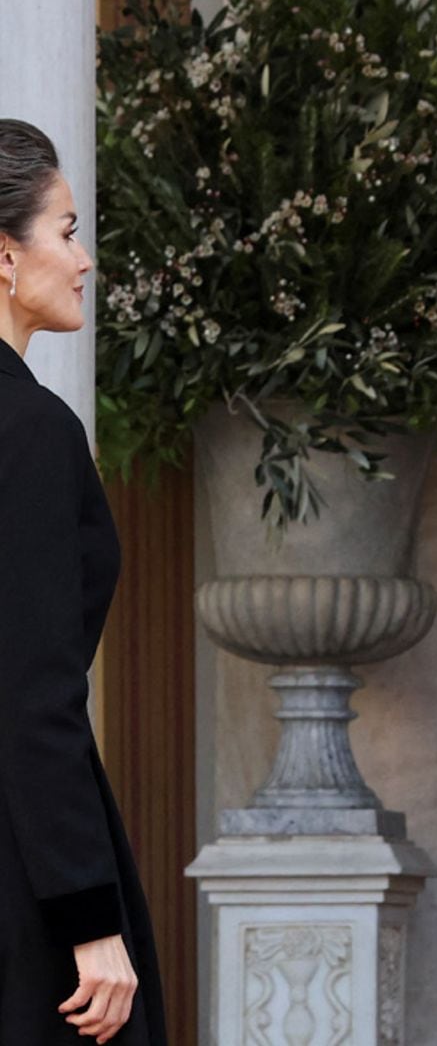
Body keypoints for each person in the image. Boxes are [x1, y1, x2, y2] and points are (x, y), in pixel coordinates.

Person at [0, 119, 166, 1044]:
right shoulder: (26, 432)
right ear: (4, 254)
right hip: (22, 878)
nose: (85, 258)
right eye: (65, 231)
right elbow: (31, 695)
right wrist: (87, 918)